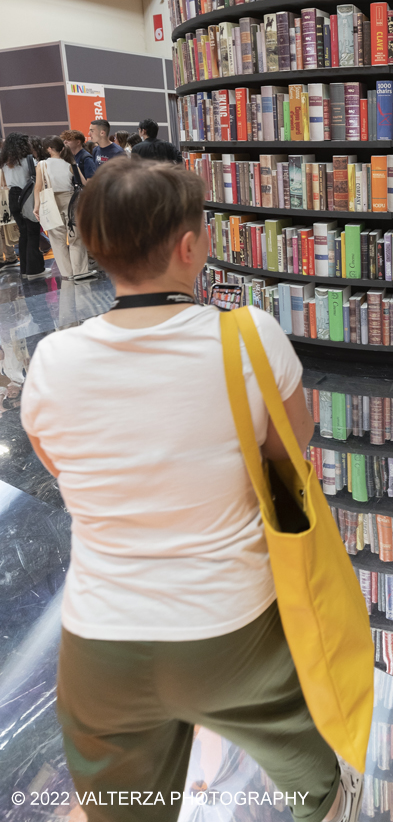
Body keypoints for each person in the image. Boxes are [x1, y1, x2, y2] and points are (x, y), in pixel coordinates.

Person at [20, 159, 362, 822]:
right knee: (316, 787)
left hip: (99, 644)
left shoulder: (54, 362)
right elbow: (295, 445)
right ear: (187, 247)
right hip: (234, 632)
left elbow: (57, 462)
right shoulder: (247, 338)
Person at [33, 137, 91, 282]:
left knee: (57, 239)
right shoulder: (70, 163)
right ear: (63, 149)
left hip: (51, 201)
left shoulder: (42, 164)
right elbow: (84, 182)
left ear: (48, 149)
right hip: (71, 200)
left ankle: (67, 273)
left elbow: (38, 187)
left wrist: (36, 206)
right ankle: (80, 271)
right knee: (76, 236)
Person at [0, 133, 46, 279]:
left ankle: (25, 270)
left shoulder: (5, 162)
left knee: (23, 233)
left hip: (12, 197)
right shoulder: (29, 159)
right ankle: (35, 270)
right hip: (27, 196)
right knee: (32, 232)